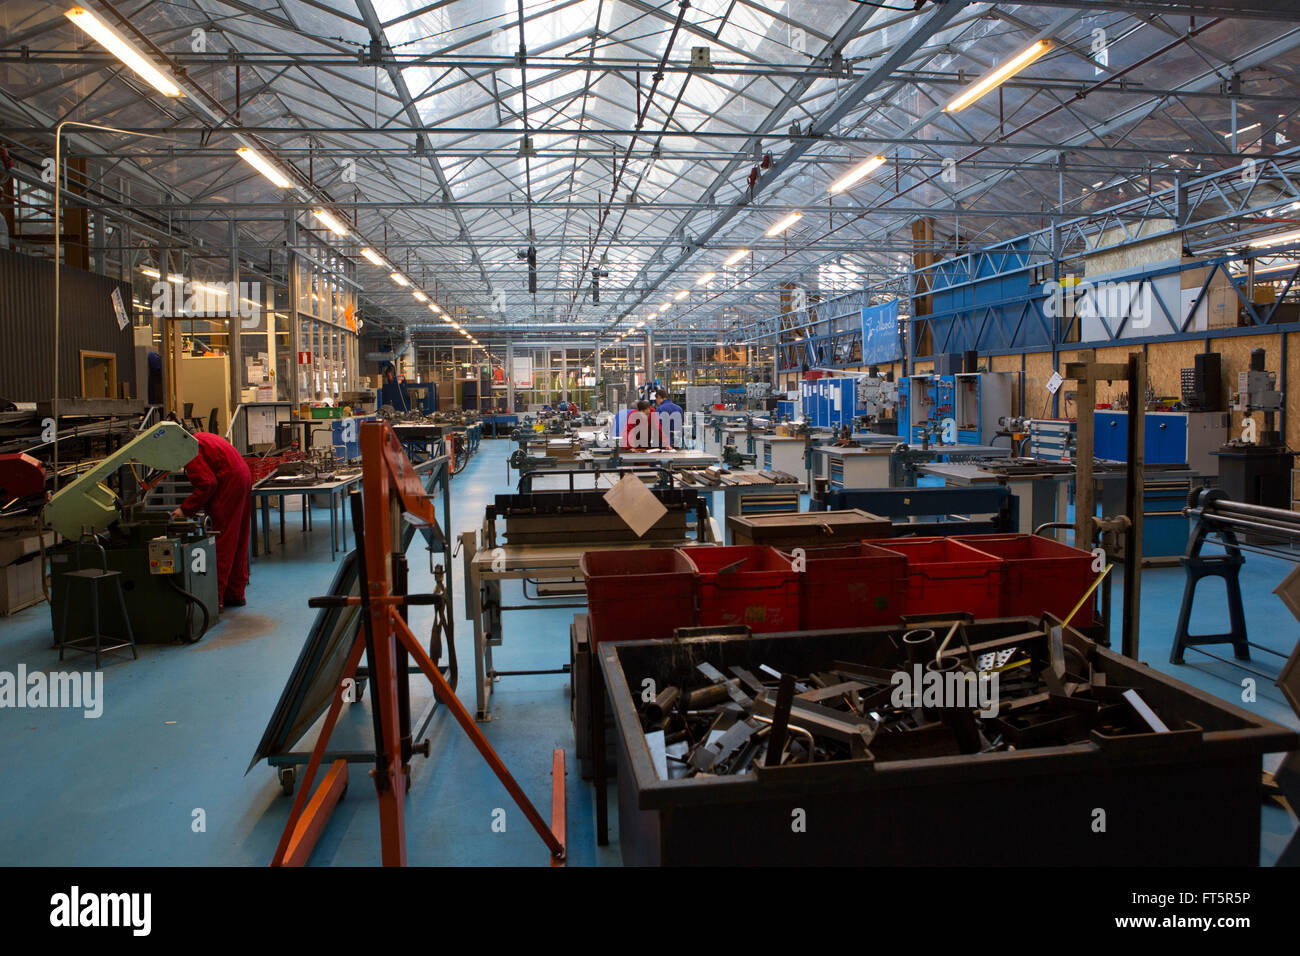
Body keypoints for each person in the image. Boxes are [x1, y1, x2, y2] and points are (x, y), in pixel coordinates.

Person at [170, 432, 253, 608]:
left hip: (229, 482)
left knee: (221, 541)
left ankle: (214, 599)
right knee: (237, 539)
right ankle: (235, 593)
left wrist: (185, 510)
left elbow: (207, 483)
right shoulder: (199, 439)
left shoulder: (189, 448)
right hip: (242, 476)